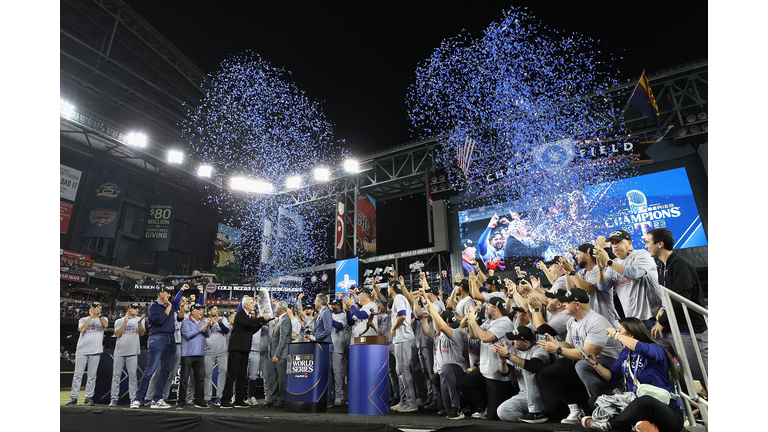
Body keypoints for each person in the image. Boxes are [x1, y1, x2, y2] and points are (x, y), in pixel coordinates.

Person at [535, 288, 623, 425]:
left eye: (566, 302)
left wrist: (558, 350)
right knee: (547, 373)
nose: (563, 305)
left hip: (610, 362)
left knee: (581, 365)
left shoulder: (596, 321)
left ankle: (601, 406)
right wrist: (556, 343)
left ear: (577, 305)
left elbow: (588, 353)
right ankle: (577, 409)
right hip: (589, 360)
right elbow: (570, 345)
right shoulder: (572, 321)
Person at [581, 317, 683, 432]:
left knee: (644, 401)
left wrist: (615, 335)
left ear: (632, 334)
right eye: (617, 331)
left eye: (619, 330)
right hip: (633, 404)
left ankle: (609, 425)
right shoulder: (625, 353)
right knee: (595, 400)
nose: (617, 334)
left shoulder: (656, 348)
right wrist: (595, 364)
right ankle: (641, 426)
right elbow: (612, 376)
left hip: (665, 412)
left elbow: (641, 347)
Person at [645, 228, 708, 384]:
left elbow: (681, 298)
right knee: (655, 351)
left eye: (648, 242)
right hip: (673, 328)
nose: (646, 246)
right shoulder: (662, 266)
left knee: (703, 374)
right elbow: (668, 296)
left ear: (660, 244)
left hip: (690, 328)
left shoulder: (679, 264)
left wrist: (662, 321)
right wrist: (661, 308)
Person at [458, 296, 516, 420]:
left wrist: (473, 321)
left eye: (488, 305)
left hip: (498, 371)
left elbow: (485, 337)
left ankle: (491, 406)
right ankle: (484, 405)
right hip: (485, 368)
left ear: (495, 308)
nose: (486, 307)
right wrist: (469, 316)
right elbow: (474, 335)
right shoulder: (490, 321)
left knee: (495, 415)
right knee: (464, 384)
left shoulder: (505, 322)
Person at [595, 231, 662, 331]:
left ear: (629, 243)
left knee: (657, 346)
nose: (615, 246)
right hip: (632, 320)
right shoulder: (615, 263)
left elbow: (635, 273)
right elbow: (603, 287)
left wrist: (609, 262)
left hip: (652, 317)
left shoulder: (642, 254)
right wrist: (600, 270)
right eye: (613, 244)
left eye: (618, 242)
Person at [420, 291, 468, 421]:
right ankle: (454, 408)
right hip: (444, 372)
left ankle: (458, 409)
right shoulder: (440, 333)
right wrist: (428, 306)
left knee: (447, 368)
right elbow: (436, 325)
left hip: (458, 369)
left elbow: (440, 324)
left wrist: (430, 303)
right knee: (446, 409)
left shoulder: (457, 333)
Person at [220, 296, 270, 409]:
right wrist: (261, 318)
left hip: (244, 348)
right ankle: (225, 400)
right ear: (245, 304)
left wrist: (259, 324)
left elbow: (250, 330)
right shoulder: (240, 314)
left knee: (242, 376)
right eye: (252, 303)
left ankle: (239, 399)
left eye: (254, 303)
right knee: (232, 375)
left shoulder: (246, 316)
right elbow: (248, 323)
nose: (254, 304)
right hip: (236, 348)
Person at [133, 286, 179, 409]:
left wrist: (171, 305)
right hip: (158, 338)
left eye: (170, 293)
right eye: (167, 293)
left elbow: (178, 311)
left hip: (171, 339)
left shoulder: (170, 306)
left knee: (166, 371)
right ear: (160, 293)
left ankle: (157, 399)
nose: (169, 295)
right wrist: (169, 307)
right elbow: (159, 321)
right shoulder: (154, 306)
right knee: (150, 370)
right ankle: (137, 399)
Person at [494, 325, 551, 423]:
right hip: (525, 394)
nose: (513, 342)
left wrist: (508, 355)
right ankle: (538, 417)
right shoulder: (514, 350)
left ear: (526, 342)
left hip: (544, 394)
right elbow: (505, 373)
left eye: (516, 340)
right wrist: (503, 360)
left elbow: (533, 366)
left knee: (527, 369)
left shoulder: (539, 348)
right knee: (503, 411)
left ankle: (536, 413)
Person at [562, 245, 620, 327]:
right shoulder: (582, 272)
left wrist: (572, 272)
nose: (576, 257)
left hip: (606, 321)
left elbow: (587, 290)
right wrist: (568, 273)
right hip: (591, 320)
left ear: (587, 255)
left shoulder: (600, 270)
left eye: (578, 254)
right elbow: (571, 293)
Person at [65, 302, 108, 406]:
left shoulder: (103, 319)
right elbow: (82, 329)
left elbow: (106, 325)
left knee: (92, 376)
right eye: (93, 307)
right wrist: (91, 316)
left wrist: (98, 315)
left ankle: (88, 397)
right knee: (78, 375)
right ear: (91, 308)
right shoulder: (83, 319)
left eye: (97, 307)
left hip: (95, 350)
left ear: (101, 308)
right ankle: (74, 397)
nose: (95, 309)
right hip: (82, 350)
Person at [388, 280, 418, 413]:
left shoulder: (399, 298)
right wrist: (406, 328)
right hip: (405, 338)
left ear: (392, 288)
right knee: (401, 371)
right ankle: (404, 401)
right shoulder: (403, 298)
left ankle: (411, 403)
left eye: (389, 287)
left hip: (402, 339)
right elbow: (411, 317)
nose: (388, 289)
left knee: (402, 371)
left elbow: (403, 316)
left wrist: (394, 328)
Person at [109, 303, 146, 406]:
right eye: (135, 308)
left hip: (133, 351)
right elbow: (117, 334)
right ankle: (114, 399)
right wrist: (125, 323)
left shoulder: (139, 319)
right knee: (116, 375)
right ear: (129, 309)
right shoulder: (119, 321)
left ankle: (133, 399)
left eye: (138, 308)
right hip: (119, 351)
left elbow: (142, 333)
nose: (137, 310)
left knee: (133, 376)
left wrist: (139, 322)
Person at [178, 303, 212, 409]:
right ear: (193, 312)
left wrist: (207, 326)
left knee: (200, 379)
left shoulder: (202, 322)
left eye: (201, 310)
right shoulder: (186, 322)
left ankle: (199, 401)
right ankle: (181, 401)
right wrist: (201, 327)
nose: (201, 311)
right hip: (187, 354)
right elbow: (188, 335)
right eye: (199, 310)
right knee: (184, 379)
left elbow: (208, 335)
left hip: (200, 354)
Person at [264, 300, 292, 409]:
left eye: (276, 308)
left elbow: (283, 339)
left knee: (281, 378)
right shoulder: (281, 319)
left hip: (282, 355)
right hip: (277, 353)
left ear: (279, 309)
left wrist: (277, 354)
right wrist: (272, 351)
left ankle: (282, 400)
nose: (275, 310)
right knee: (274, 378)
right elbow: (276, 339)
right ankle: (273, 399)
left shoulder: (285, 320)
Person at [203, 305, 229, 406]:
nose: (217, 310)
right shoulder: (205, 320)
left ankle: (220, 396)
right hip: (209, 350)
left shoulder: (223, 319)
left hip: (222, 350)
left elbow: (226, 331)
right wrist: (210, 324)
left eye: (217, 309)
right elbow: (204, 332)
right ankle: (207, 397)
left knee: (222, 373)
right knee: (207, 374)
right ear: (209, 312)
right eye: (214, 309)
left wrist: (220, 323)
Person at [328, 298, 348, 406]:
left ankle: (339, 396)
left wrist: (328, 318)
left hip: (338, 348)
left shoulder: (343, 316)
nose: (331, 306)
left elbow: (339, 326)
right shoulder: (331, 315)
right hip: (329, 347)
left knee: (338, 373)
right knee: (330, 373)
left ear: (338, 305)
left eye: (333, 305)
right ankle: (331, 395)